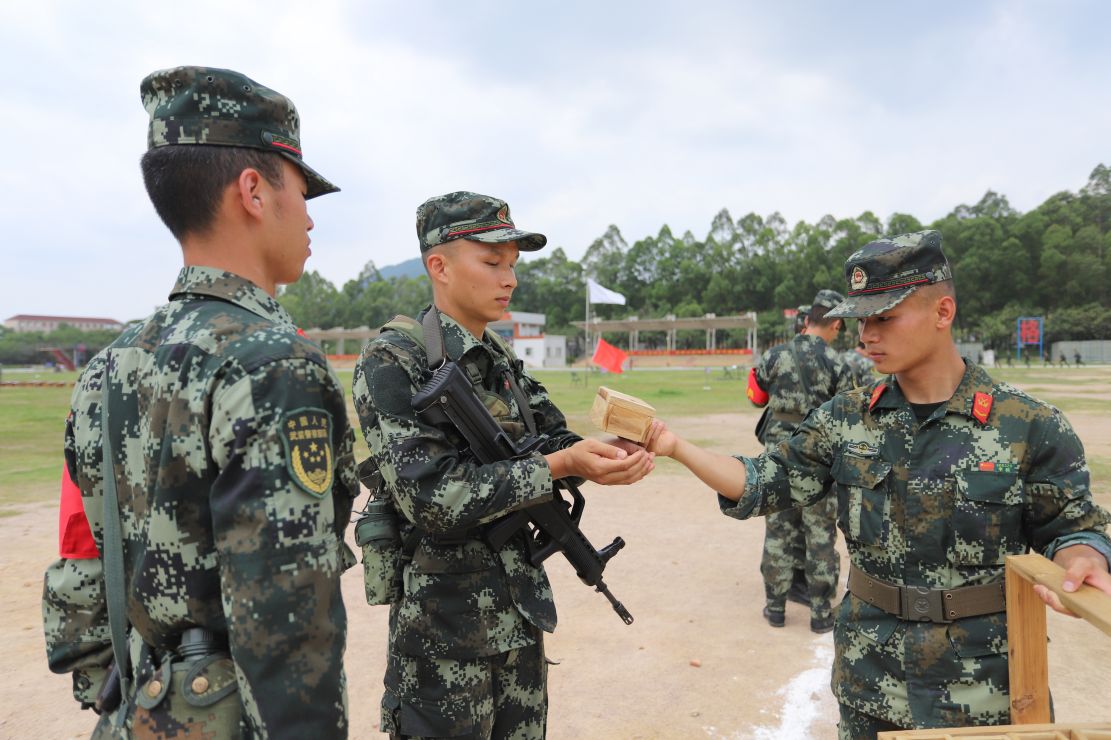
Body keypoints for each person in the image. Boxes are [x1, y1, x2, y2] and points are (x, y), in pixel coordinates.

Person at [636, 230, 1111, 738]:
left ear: (942, 312)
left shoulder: (1028, 425)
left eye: (884, 317)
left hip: (987, 688)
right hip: (872, 680)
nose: (866, 336)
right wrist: (675, 447)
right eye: (862, 320)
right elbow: (765, 480)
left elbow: (1072, 527)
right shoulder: (846, 418)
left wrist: (1082, 558)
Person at [41, 66, 358, 737]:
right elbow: (289, 622)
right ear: (253, 191)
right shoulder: (272, 362)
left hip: (136, 709)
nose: (308, 216)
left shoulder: (110, 364)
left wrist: (119, 694)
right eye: (302, 191)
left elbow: (81, 562)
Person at [352, 191, 654, 738]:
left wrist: (603, 453)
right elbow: (433, 500)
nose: (509, 278)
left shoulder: (497, 358)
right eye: (492, 262)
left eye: (512, 265)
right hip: (443, 638)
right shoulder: (393, 363)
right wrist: (559, 465)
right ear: (438, 266)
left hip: (518, 620)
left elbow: (552, 436)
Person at [746, 289, 854, 632]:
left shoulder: (775, 355)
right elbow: (849, 415)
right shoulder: (838, 363)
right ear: (835, 322)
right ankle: (821, 614)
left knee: (778, 532)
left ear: (807, 319)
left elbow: (755, 396)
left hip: (777, 458)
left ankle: (775, 608)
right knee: (820, 535)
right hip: (818, 461)